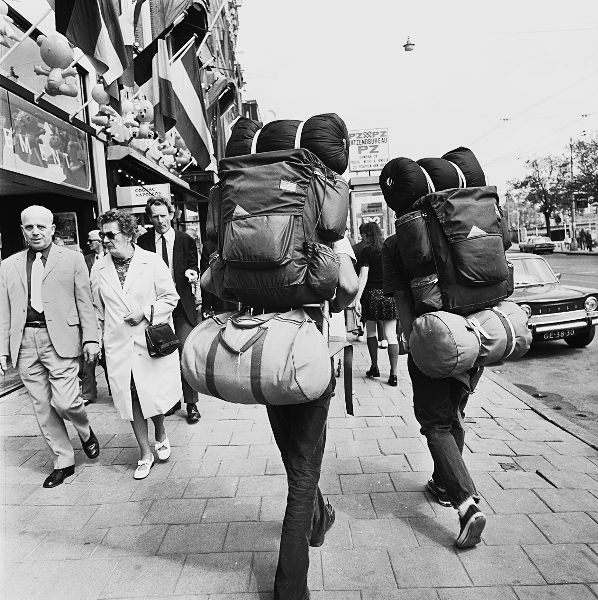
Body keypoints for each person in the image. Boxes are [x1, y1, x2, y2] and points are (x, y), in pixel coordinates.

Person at [264, 235, 358, 600]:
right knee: (303, 470)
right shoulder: (325, 222)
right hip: (309, 356)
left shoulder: (252, 217)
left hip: (266, 357)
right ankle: (289, 589)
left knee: (294, 457)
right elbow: (347, 289)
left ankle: (320, 520)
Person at [382, 232, 486, 548]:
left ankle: (466, 502)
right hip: (475, 335)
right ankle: (443, 484)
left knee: (435, 423)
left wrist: (413, 342)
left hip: (433, 339)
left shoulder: (396, 242)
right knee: (455, 412)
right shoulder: (458, 225)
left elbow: (402, 301)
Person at [0, 205, 100, 488]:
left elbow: (86, 303)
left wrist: (91, 338)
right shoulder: (8, 266)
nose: (35, 232)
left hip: (62, 340)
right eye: (29, 227)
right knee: (43, 407)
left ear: (53, 229)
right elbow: (4, 310)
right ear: (22, 231)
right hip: (26, 344)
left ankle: (84, 429)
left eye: (41, 227)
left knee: (66, 401)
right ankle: (63, 461)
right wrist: (3, 348)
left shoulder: (72, 260)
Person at [91, 210, 182, 479]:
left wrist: (144, 312)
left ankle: (161, 433)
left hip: (149, 340)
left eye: (111, 234)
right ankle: (145, 453)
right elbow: (96, 310)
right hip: (119, 346)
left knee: (151, 394)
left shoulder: (151, 262)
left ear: (129, 234)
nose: (106, 240)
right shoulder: (98, 268)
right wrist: (96, 341)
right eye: (102, 235)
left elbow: (170, 297)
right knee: (131, 400)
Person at [137, 197, 201, 424]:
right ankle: (171, 400)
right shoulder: (143, 242)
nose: (160, 220)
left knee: (183, 350)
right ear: (150, 218)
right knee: (163, 353)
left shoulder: (185, 240)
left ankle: (191, 404)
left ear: (172, 215)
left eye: (163, 215)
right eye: (154, 216)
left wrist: (192, 272)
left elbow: (194, 265)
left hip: (181, 306)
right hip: (157, 309)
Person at [354, 221, 400, 386]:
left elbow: (363, 276)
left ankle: (374, 367)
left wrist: (357, 298)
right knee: (391, 335)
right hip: (389, 295)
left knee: (371, 332)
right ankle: (393, 374)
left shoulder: (367, 251)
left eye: (363, 236)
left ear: (368, 235)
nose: (362, 239)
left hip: (372, 296)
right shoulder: (388, 248)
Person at [80, 229, 106, 404]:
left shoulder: (111, 257)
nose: (89, 244)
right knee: (89, 356)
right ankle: (88, 393)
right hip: (92, 312)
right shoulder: (86, 260)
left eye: (92, 241)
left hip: (110, 313)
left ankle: (116, 388)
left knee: (109, 356)